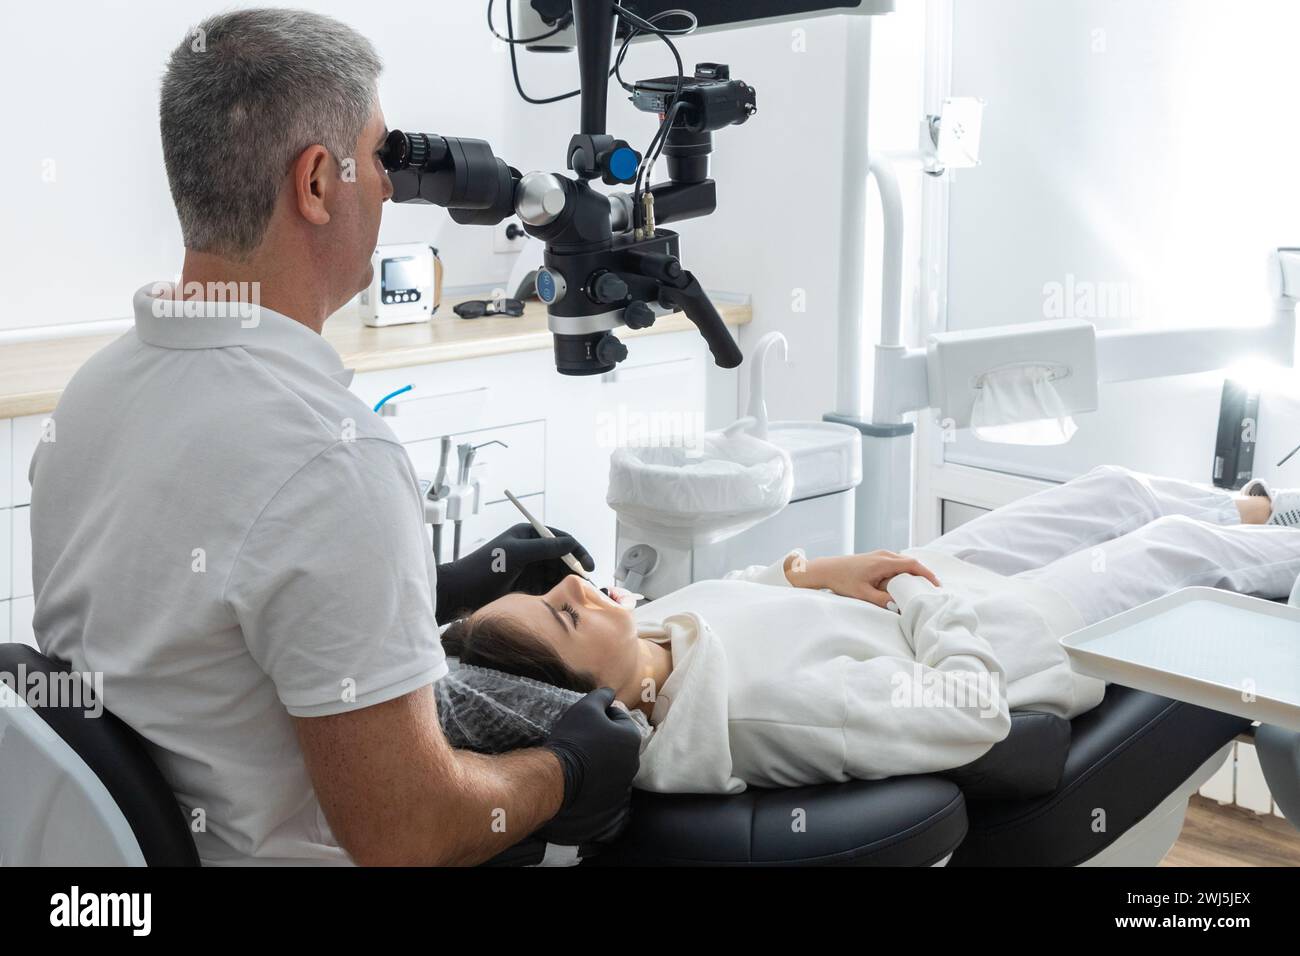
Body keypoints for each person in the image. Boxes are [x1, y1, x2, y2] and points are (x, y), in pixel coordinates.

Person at [27, 8, 640, 865]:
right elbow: (409, 832)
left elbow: (213, 644)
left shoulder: (92, 399)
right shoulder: (328, 459)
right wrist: (567, 768)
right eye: (378, 156)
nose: (391, 186)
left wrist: (443, 585)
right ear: (316, 183)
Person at [441, 465, 1300, 793]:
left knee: (1113, 490)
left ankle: (1272, 510)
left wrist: (815, 575)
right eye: (564, 612)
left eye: (562, 585)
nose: (583, 586)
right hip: (1012, 637)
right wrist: (917, 601)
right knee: (1178, 550)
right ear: (594, 704)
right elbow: (969, 709)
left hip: (929, 589)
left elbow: (734, 594)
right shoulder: (757, 713)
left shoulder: (648, 640)